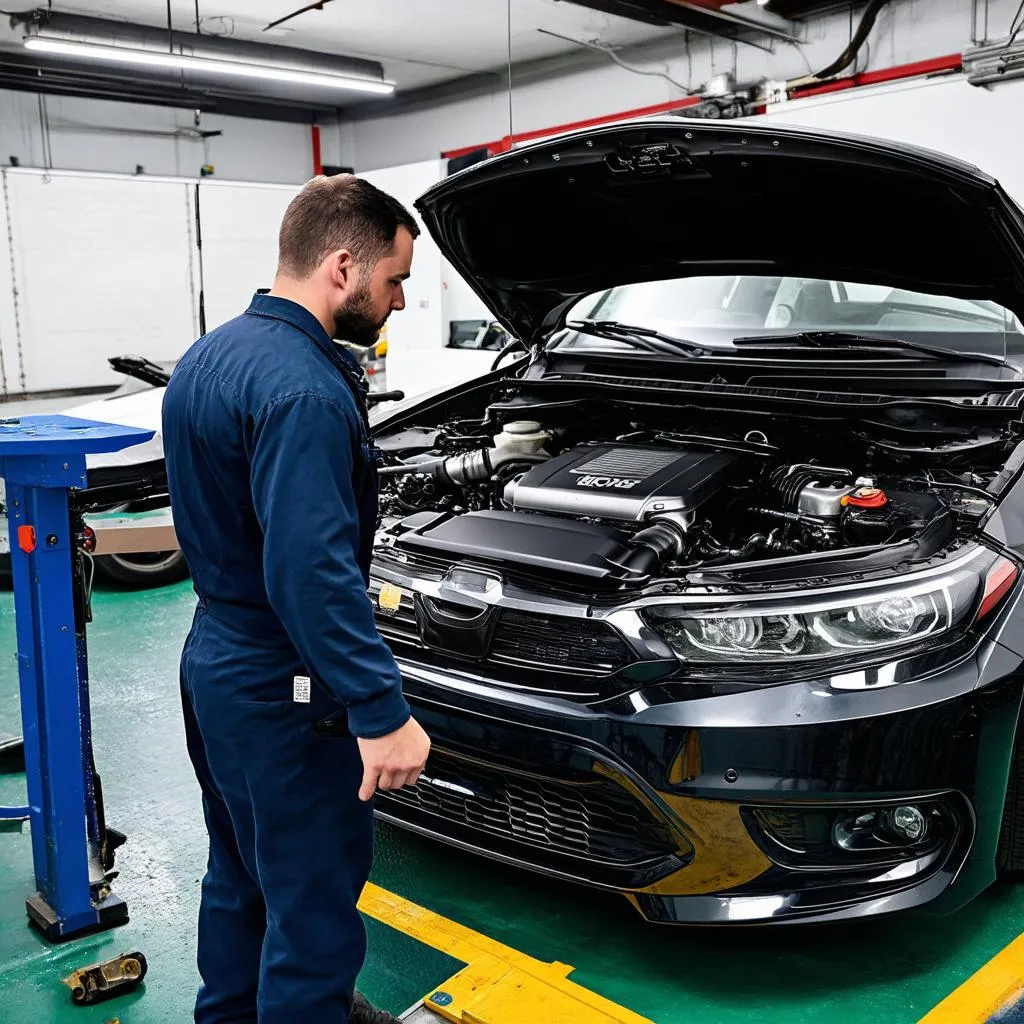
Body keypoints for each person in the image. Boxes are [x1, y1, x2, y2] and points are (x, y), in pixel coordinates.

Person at [162, 174, 432, 1024]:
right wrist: (380, 708)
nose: (395, 302)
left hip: (216, 661)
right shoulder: (307, 391)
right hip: (286, 680)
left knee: (241, 873)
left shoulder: (210, 356)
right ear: (344, 267)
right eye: (394, 281)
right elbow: (309, 573)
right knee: (313, 911)